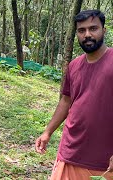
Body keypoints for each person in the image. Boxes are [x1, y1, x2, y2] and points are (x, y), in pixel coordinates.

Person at [35, 9, 113, 180]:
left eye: (93, 28)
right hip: (70, 153)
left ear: (104, 31)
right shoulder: (73, 65)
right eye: (81, 30)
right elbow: (66, 100)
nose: (87, 34)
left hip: (104, 163)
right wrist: (48, 132)